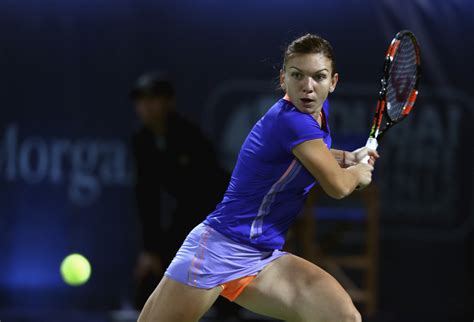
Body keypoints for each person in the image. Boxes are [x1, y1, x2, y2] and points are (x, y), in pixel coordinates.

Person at [137, 34, 379, 322]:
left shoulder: (315, 110)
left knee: (342, 317)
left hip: (262, 256)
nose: (308, 86)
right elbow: (338, 186)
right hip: (218, 248)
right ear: (283, 79)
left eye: (319, 77)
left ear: (333, 82)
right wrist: (358, 173)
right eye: (297, 75)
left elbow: (313, 152)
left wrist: (348, 157)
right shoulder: (291, 121)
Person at [129, 71, 229, 310]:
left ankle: (228, 312)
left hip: (215, 217)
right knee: (150, 282)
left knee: (220, 286)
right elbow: (147, 196)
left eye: (153, 99)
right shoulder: (141, 142)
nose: (147, 107)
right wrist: (150, 249)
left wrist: (198, 240)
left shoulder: (190, 136)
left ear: (168, 102)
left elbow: (208, 191)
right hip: (183, 219)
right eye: (141, 101)